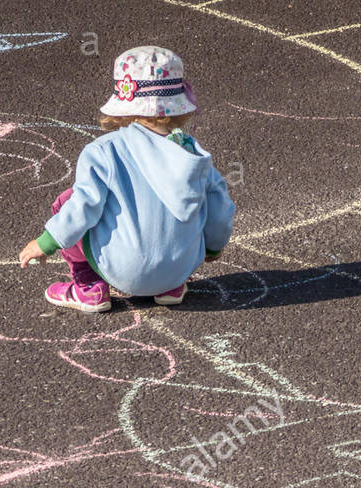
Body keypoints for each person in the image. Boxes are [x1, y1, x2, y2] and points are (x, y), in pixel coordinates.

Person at [19, 45, 235, 312]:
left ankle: (89, 287)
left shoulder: (103, 150)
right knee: (195, 199)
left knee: (68, 201)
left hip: (123, 269)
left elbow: (83, 206)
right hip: (180, 268)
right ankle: (169, 288)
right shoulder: (191, 154)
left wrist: (47, 242)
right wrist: (213, 247)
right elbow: (219, 208)